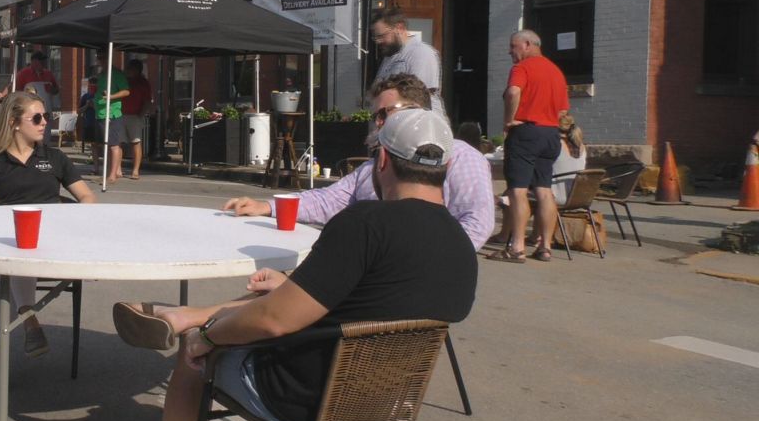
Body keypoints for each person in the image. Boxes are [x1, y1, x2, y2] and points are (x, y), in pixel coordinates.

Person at [111, 109, 478, 421]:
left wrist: (208, 338)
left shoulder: (365, 224)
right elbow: (386, 299)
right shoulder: (462, 246)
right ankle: (190, 314)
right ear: (448, 164)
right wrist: (289, 288)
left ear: (383, 160)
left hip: (296, 396)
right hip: (383, 401)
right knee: (281, 294)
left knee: (194, 351)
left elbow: (274, 321)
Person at [223, 74, 495, 249]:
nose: (377, 123)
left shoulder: (459, 155)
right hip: (363, 275)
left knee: (262, 308)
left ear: (417, 111)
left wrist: (421, 264)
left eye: (384, 113)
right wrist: (266, 206)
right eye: (375, 116)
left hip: (398, 287)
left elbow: (477, 223)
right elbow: (329, 200)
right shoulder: (377, 163)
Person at [0, 91, 96, 395]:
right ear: (15, 123)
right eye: (38, 118)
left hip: (52, 241)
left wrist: (76, 223)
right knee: (15, 265)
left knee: (11, 274)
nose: (46, 124)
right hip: (10, 243)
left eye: (47, 117)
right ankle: (29, 319)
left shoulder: (54, 158)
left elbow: (86, 197)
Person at [489, 30, 569, 264]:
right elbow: (563, 110)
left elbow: (514, 91)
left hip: (526, 132)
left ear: (527, 45)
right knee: (544, 190)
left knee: (518, 190)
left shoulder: (522, 68)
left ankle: (517, 247)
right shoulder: (556, 71)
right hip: (550, 134)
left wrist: (509, 120)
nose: (510, 51)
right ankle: (544, 246)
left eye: (513, 46)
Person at [487, 113, 585, 257]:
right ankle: (544, 245)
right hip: (575, 194)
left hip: (557, 192)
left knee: (513, 194)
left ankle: (507, 238)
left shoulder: (557, 144)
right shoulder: (579, 145)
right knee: (542, 192)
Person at [371, 7, 446, 121]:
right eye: (375, 37)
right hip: (396, 124)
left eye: (381, 36)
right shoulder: (390, 56)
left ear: (399, 27)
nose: (378, 41)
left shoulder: (421, 53)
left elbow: (418, 97)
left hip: (420, 126)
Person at [116, 59, 153, 180]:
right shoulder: (123, 80)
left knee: (135, 142)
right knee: (119, 142)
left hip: (135, 115)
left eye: (130, 68)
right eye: (128, 68)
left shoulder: (143, 83)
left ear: (137, 70)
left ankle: (135, 170)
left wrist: (141, 114)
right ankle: (118, 169)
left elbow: (147, 101)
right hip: (120, 114)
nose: (128, 71)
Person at [95, 63, 130, 183]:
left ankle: (112, 175)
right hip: (101, 113)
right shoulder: (101, 75)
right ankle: (110, 173)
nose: (100, 60)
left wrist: (111, 96)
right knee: (107, 145)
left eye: (102, 57)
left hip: (112, 113)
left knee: (114, 145)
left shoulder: (116, 74)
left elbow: (126, 91)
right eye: (98, 57)